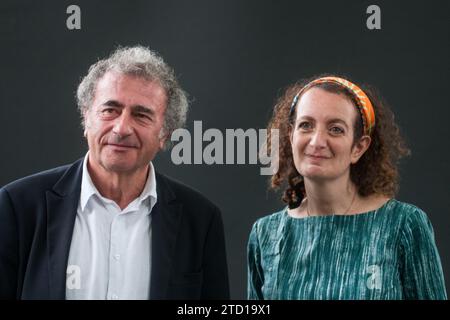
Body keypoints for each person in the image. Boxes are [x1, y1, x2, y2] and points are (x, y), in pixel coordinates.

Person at [0, 46, 229, 300]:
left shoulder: (200, 220)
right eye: (110, 110)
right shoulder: (18, 206)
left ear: (166, 134)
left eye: (141, 115)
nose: (121, 128)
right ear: (86, 118)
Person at [247, 75, 447, 300]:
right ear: (291, 136)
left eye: (335, 129)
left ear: (359, 147)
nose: (317, 141)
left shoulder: (404, 225)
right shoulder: (265, 235)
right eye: (306, 125)